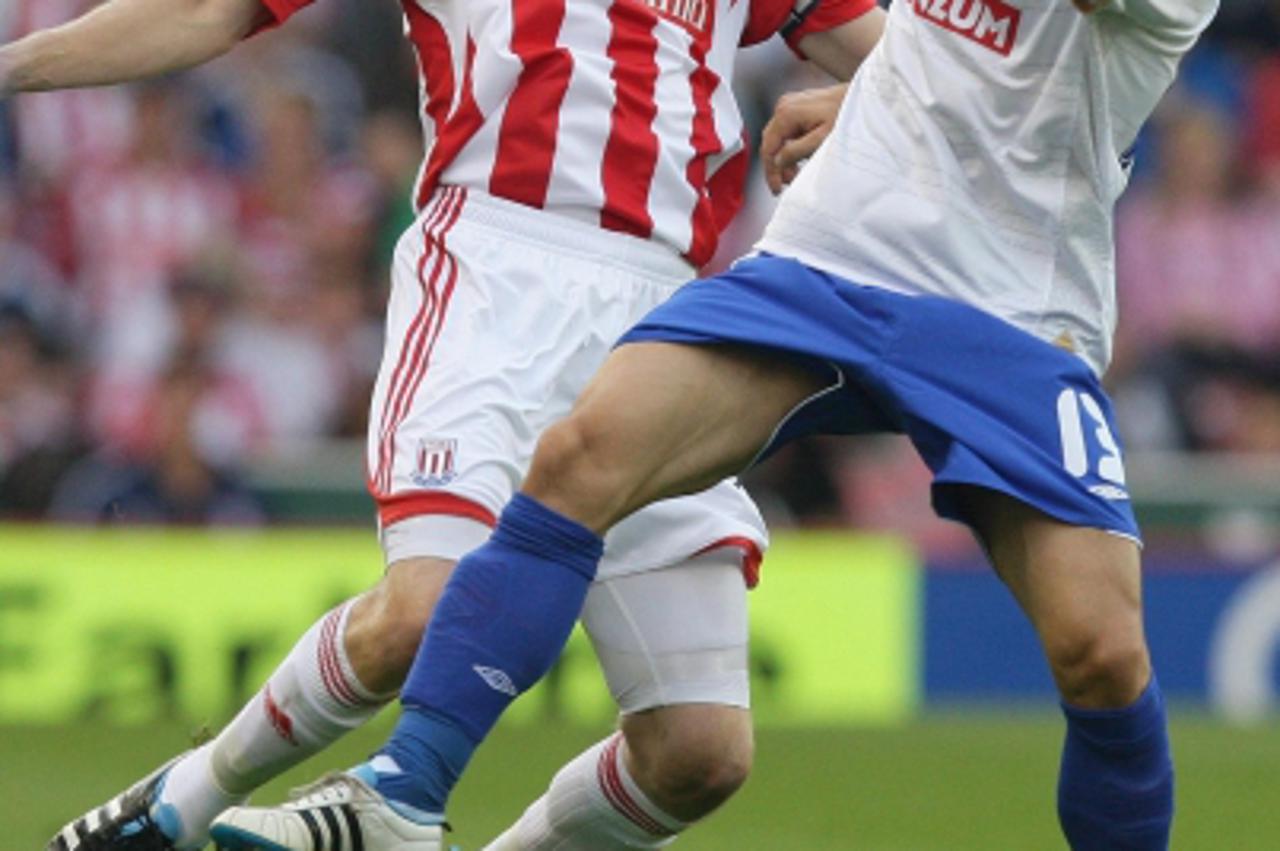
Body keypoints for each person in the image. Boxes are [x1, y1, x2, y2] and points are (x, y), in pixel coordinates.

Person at [216, 0, 1221, 849]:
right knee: (581, 454)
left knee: (1101, 652)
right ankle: (404, 791)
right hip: (834, 252)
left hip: (1007, 310)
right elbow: (943, 51)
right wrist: (873, 100)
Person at [0, 0, 886, 849]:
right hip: (495, 271)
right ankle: (184, 801)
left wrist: (861, 95)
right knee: (422, 614)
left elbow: (921, 72)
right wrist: (15, 65)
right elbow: (206, 11)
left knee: (701, 751)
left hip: (660, 311)